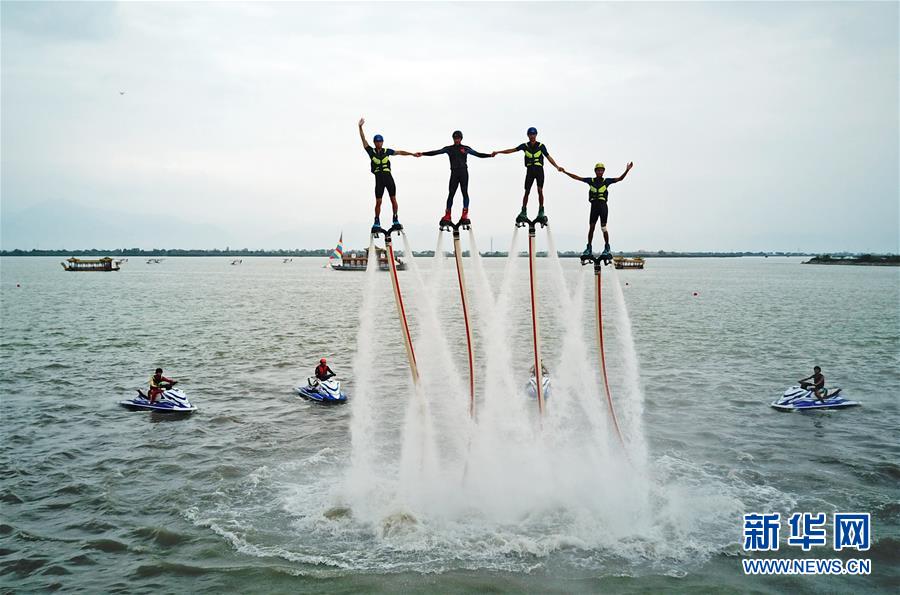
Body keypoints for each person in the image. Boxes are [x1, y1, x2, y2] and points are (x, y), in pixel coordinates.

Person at [416, 130, 492, 226]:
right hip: (454, 173)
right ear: (453, 139)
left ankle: (464, 215)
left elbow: (478, 154)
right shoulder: (449, 149)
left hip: (463, 172)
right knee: (451, 193)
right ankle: (447, 215)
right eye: (455, 138)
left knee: (464, 192)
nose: (457, 140)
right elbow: (436, 152)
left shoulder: (466, 148)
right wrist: (423, 153)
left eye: (458, 138)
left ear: (461, 139)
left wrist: (490, 155)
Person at [560, 161, 634, 256]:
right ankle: (589, 248)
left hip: (603, 206)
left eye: (601, 170)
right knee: (591, 228)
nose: (599, 172)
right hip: (594, 207)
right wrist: (565, 172)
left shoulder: (606, 181)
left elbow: (620, 179)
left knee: (603, 227)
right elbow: (577, 178)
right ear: (595, 171)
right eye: (598, 170)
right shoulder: (591, 181)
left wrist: (627, 170)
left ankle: (607, 247)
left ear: (603, 171)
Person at [492, 127, 562, 224]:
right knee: (527, 191)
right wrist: (498, 152)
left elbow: (548, 157)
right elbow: (512, 150)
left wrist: (557, 167)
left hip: (539, 170)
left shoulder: (541, 146)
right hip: (530, 170)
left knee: (540, 190)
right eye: (530, 134)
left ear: (536, 135)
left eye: (533, 134)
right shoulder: (524, 146)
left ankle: (541, 211)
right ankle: (523, 211)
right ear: (528, 135)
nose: (532, 136)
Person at [358, 118, 417, 232]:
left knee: (393, 199)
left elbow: (399, 152)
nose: (378, 143)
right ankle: (376, 221)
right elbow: (363, 140)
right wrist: (360, 127)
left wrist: (412, 154)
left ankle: (395, 219)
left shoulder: (387, 151)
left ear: (382, 142)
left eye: (380, 141)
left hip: (388, 178)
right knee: (378, 202)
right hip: (379, 179)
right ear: (374, 143)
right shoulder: (371, 151)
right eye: (377, 141)